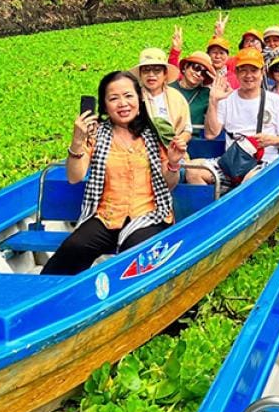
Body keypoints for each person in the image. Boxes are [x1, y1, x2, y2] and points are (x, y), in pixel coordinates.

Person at [41, 71, 188, 275]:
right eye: (113, 98)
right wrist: (77, 141)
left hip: (150, 215)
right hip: (107, 216)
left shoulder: (156, 133)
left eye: (128, 96)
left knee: (134, 257)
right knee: (74, 247)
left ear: (139, 99)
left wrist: (172, 162)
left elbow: (169, 184)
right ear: (105, 105)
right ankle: (49, 292)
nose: (122, 104)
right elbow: (75, 177)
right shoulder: (95, 135)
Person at [188, 48, 279, 186]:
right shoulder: (227, 100)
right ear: (237, 73)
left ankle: (236, 195)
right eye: (243, 70)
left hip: (263, 162)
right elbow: (211, 134)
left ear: (262, 72)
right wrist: (213, 101)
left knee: (250, 182)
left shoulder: (275, 101)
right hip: (232, 163)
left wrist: (272, 140)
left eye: (254, 70)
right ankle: (218, 198)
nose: (248, 75)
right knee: (193, 171)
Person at [132, 48, 191, 144]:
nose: (151, 74)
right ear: (140, 74)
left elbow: (187, 129)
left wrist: (179, 141)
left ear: (165, 74)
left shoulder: (177, 97)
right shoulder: (133, 97)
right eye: (146, 70)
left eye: (157, 70)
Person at [171, 51, 214, 136]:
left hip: (195, 139)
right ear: (186, 67)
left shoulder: (207, 94)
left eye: (203, 73)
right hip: (168, 138)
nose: (198, 74)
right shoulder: (169, 89)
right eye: (196, 68)